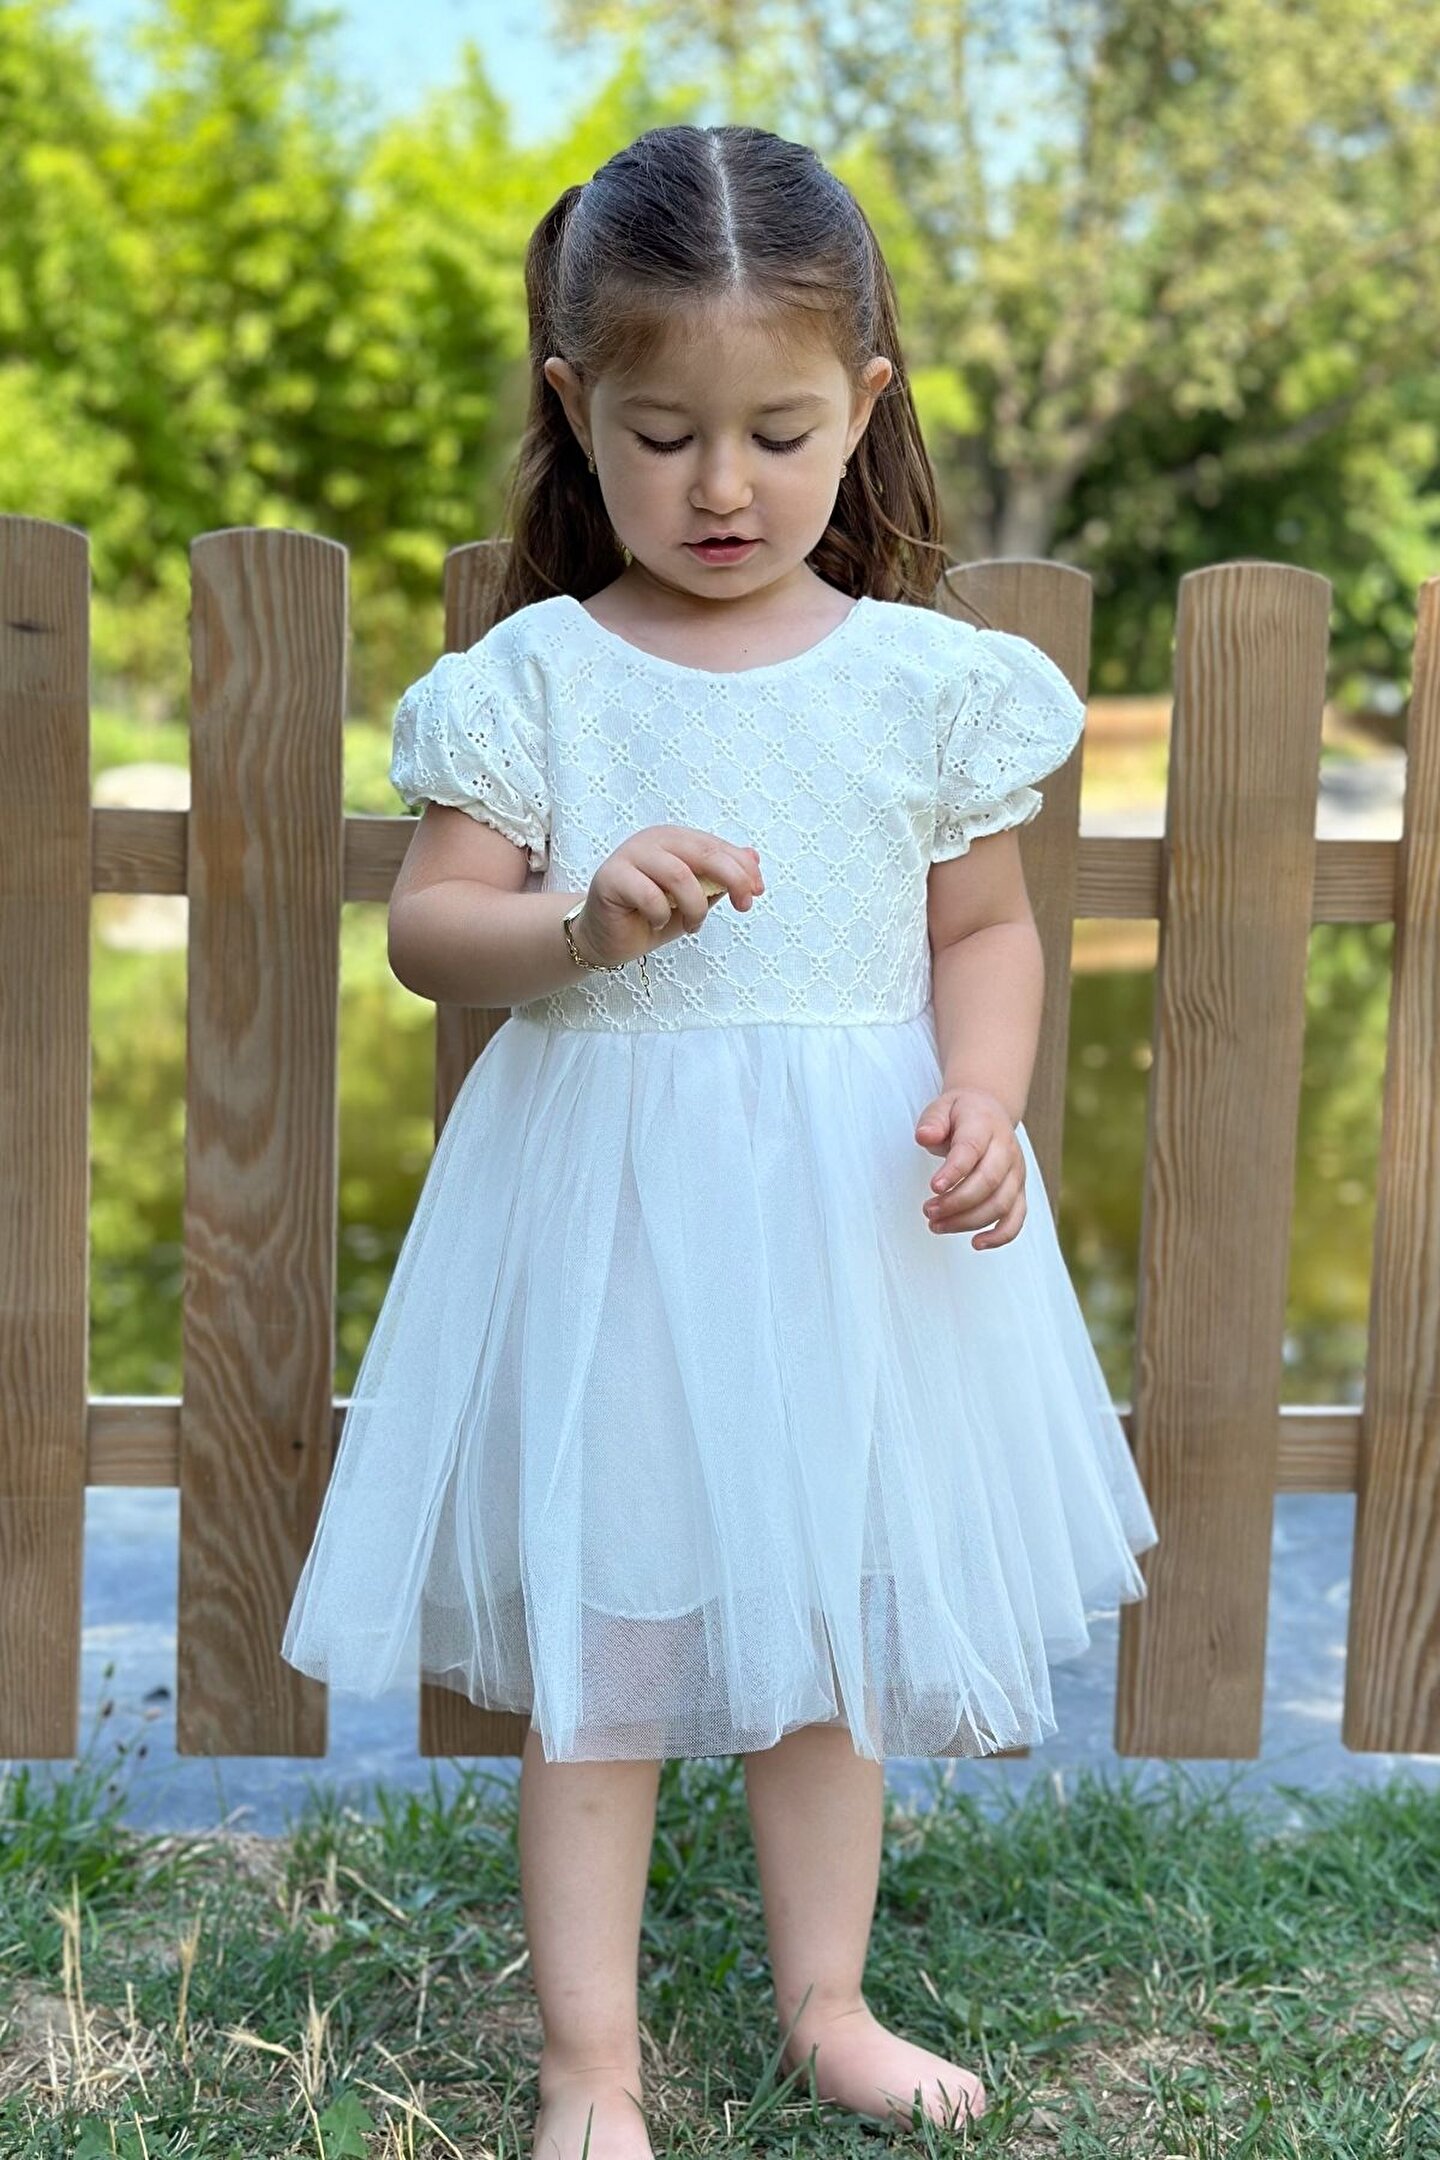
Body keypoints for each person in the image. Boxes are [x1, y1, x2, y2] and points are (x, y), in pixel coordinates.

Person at [280, 121, 1159, 2159]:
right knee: (606, 1656)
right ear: (578, 409)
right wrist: (579, 924)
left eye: (778, 433)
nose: (724, 487)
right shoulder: (539, 681)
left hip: (851, 1216)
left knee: (829, 1628)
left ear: (865, 405)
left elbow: (984, 931)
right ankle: (590, 2066)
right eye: (665, 436)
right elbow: (430, 933)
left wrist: (986, 1093)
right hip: (615, 1220)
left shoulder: (925, 686)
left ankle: (828, 2002)